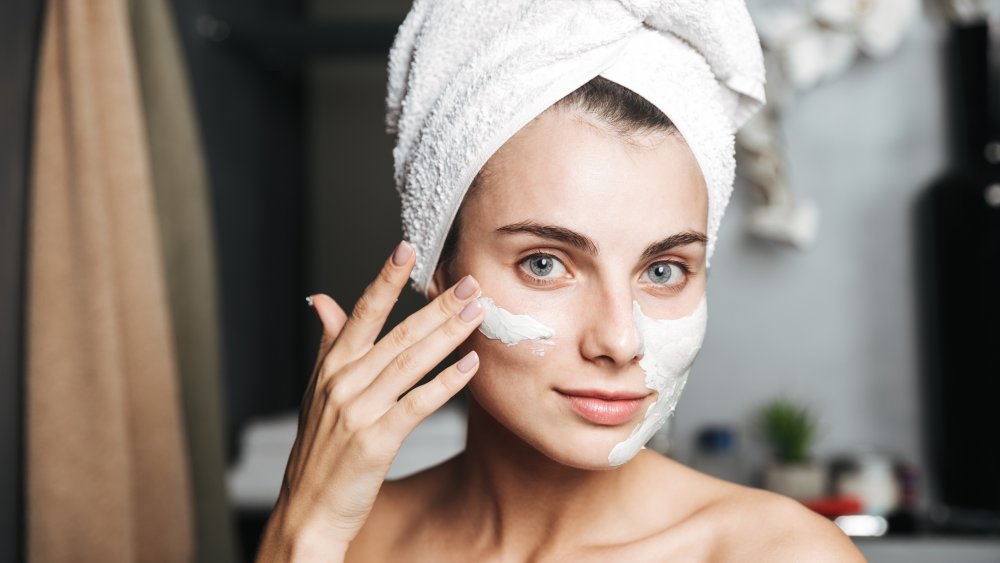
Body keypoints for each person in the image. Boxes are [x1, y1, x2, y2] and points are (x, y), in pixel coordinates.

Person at [256, 1, 869, 560]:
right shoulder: (348, 538)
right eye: (545, 263)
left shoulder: (779, 555)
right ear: (438, 273)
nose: (620, 340)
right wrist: (302, 534)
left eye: (663, 271)